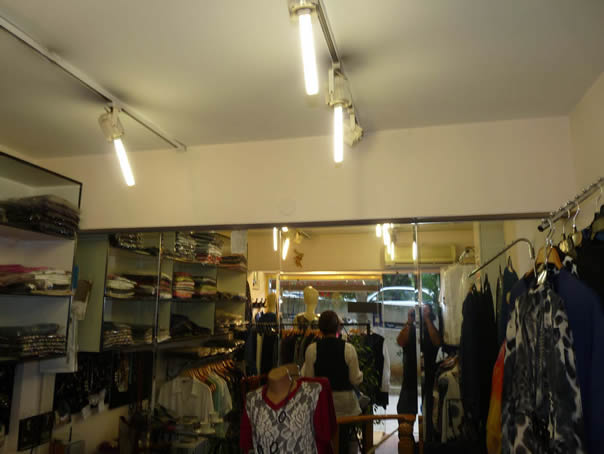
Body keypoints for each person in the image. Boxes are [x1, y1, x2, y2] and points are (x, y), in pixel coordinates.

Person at [301, 310, 363, 417]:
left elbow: (309, 379)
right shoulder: (348, 349)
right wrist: (361, 374)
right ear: (338, 327)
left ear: (320, 328)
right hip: (346, 407)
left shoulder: (312, 349)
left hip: (322, 404)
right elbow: (355, 379)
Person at [397, 305, 442, 435]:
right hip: (409, 380)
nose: (422, 312)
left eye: (425, 310)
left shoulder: (431, 329)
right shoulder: (410, 328)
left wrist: (427, 319)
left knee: (429, 418)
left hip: (428, 381)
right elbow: (400, 341)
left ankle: (426, 440)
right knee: (405, 416)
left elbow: (437, 342)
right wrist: (409, 321)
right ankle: (406, 442)